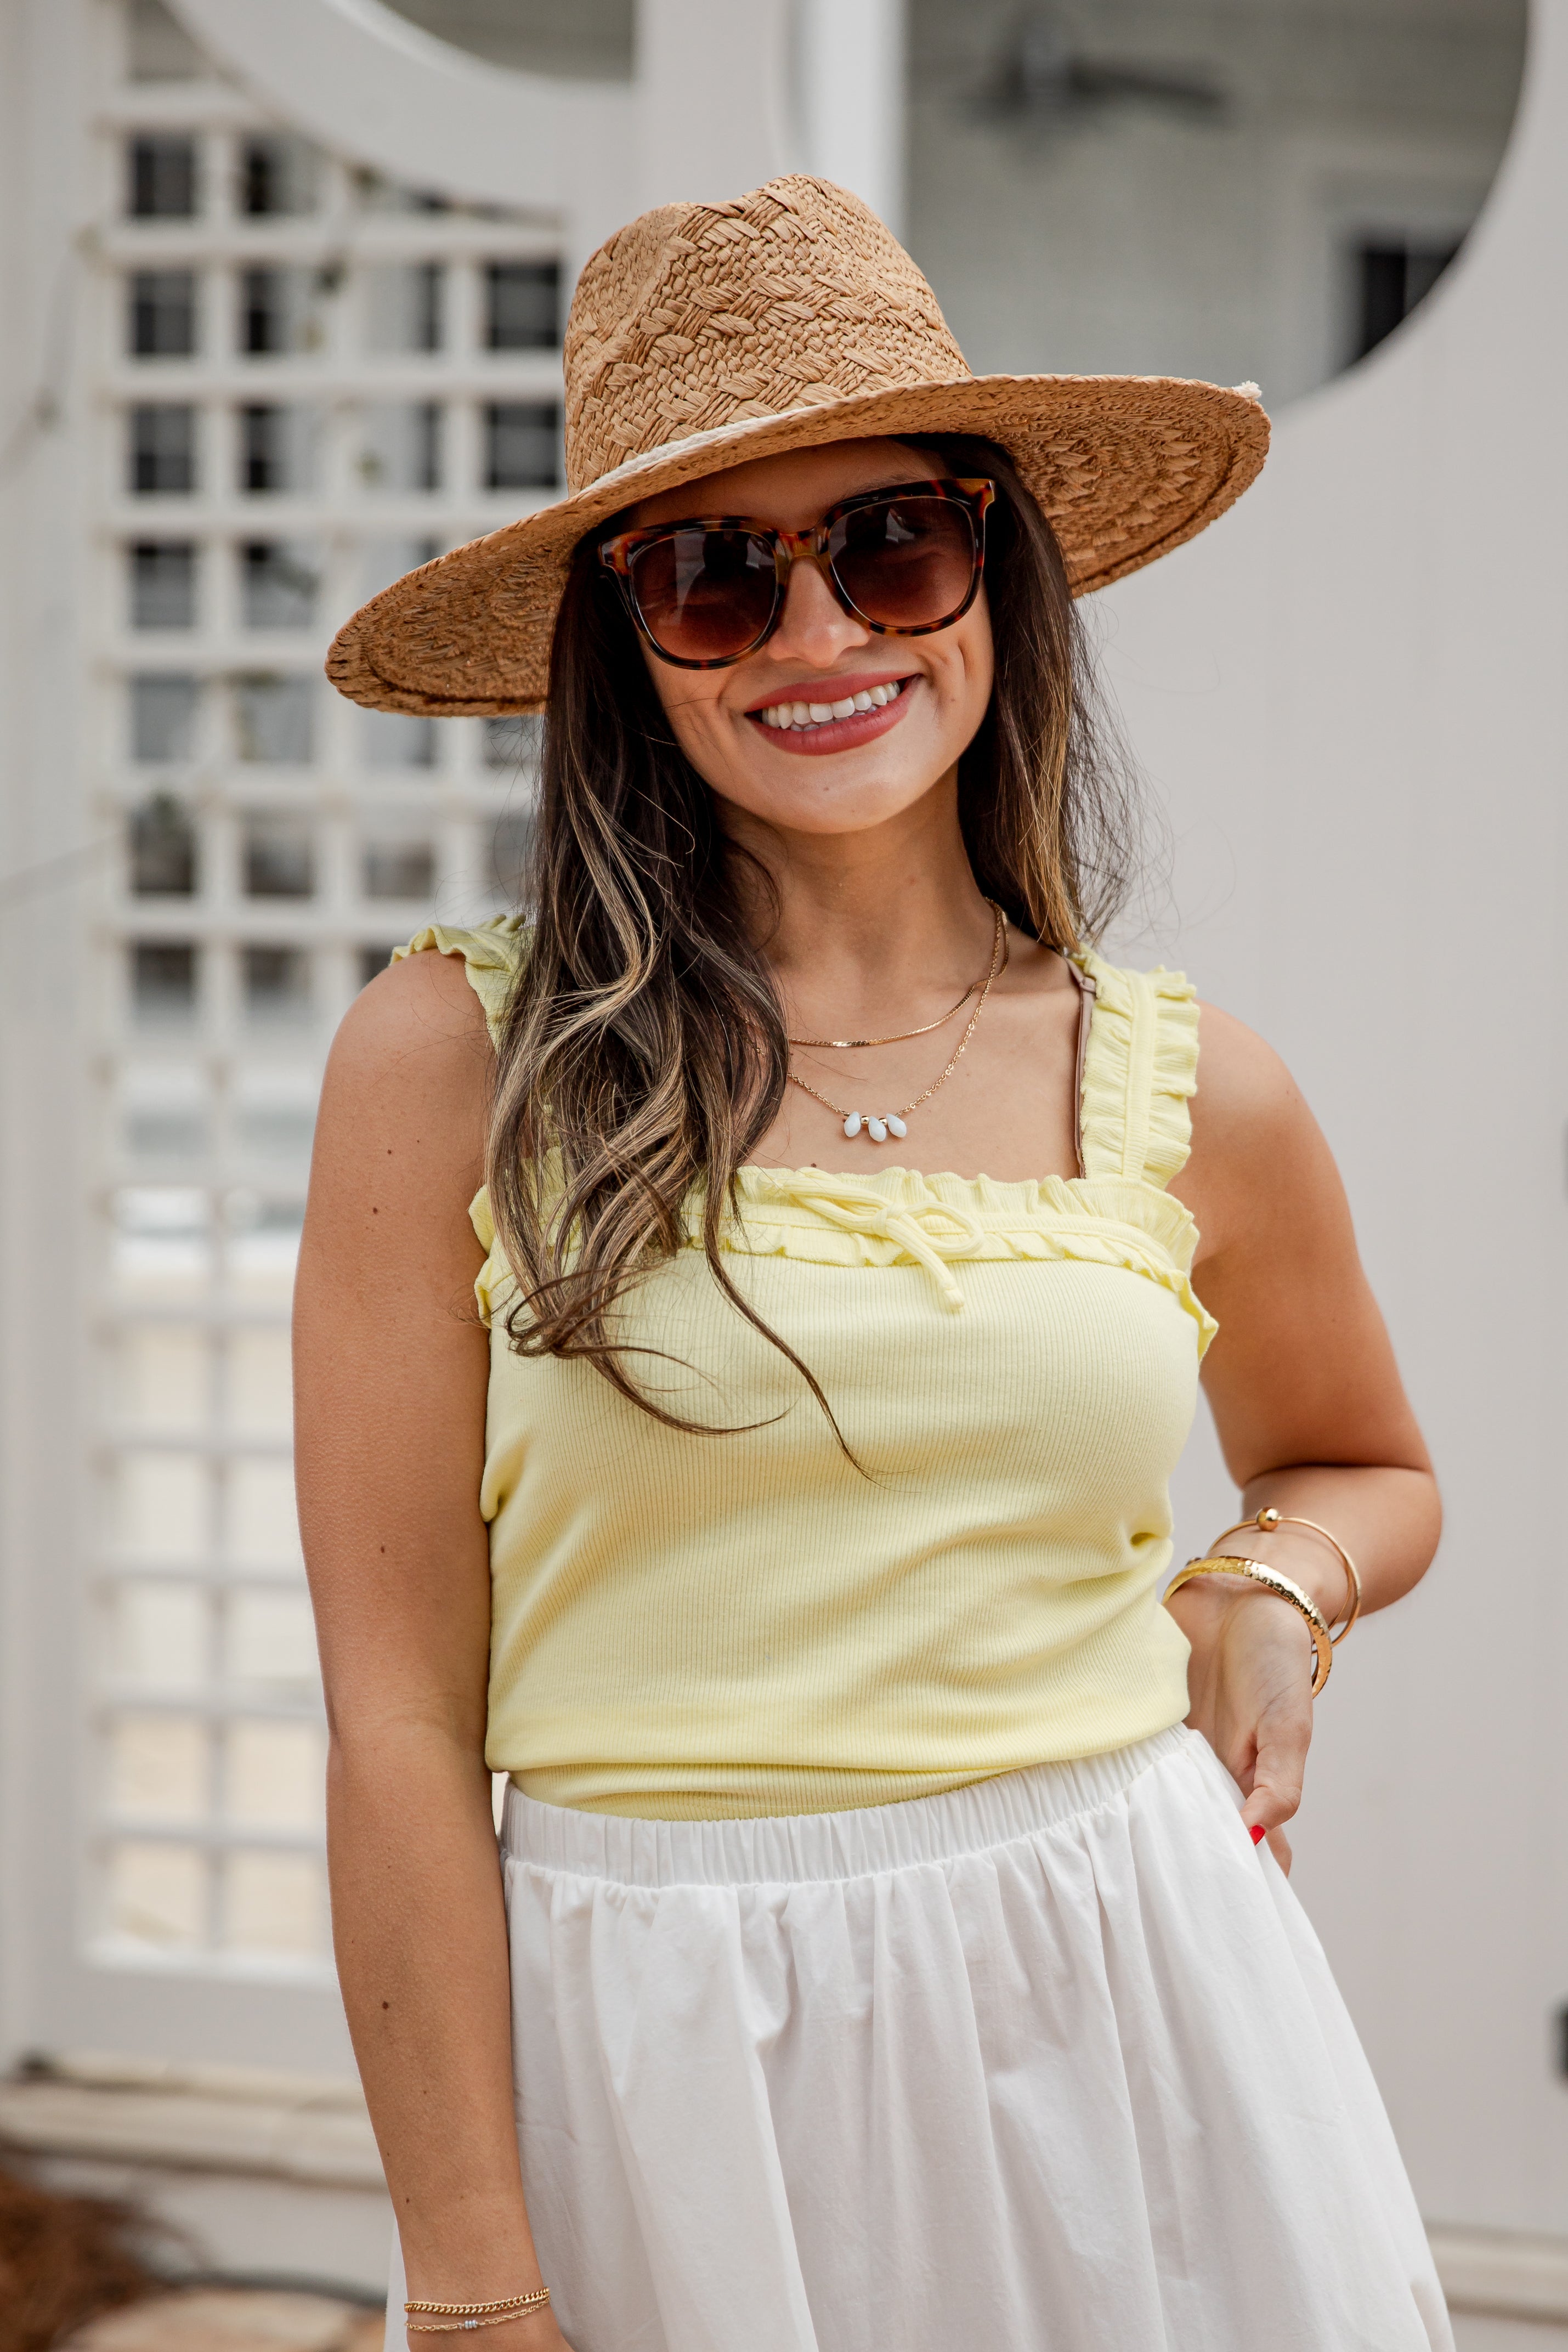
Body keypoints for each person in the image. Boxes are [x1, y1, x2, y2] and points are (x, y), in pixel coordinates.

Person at [299, 176, 1450, 2351]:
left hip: (1135, 1999)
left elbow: (1361, 1464)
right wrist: (466, 2286)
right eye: (717, 573)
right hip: (656, 2046)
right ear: (621, 643)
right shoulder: (450, 1059)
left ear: (993, 570)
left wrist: (1272, 1584)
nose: (824, 636)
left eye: (892, 542)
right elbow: (390, 1725)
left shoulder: (1193, 1086)